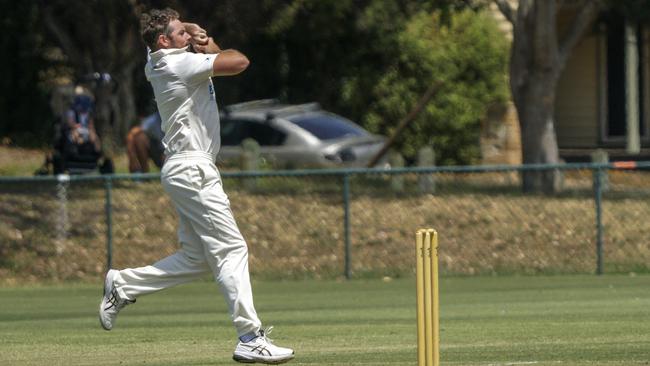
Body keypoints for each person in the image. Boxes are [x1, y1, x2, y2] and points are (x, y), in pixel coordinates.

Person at [98, 8, 294, 364]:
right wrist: (202, 40)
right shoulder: (177, 65)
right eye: (180, 33)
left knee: (197, 259)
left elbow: (211, 53)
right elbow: (238, 62)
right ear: (164, 42)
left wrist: (194, 34)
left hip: (185, 169)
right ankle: (250, 337)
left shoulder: (156, 60)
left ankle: (124, 284)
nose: (186, 38)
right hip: (193, 169)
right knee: (232, 249)